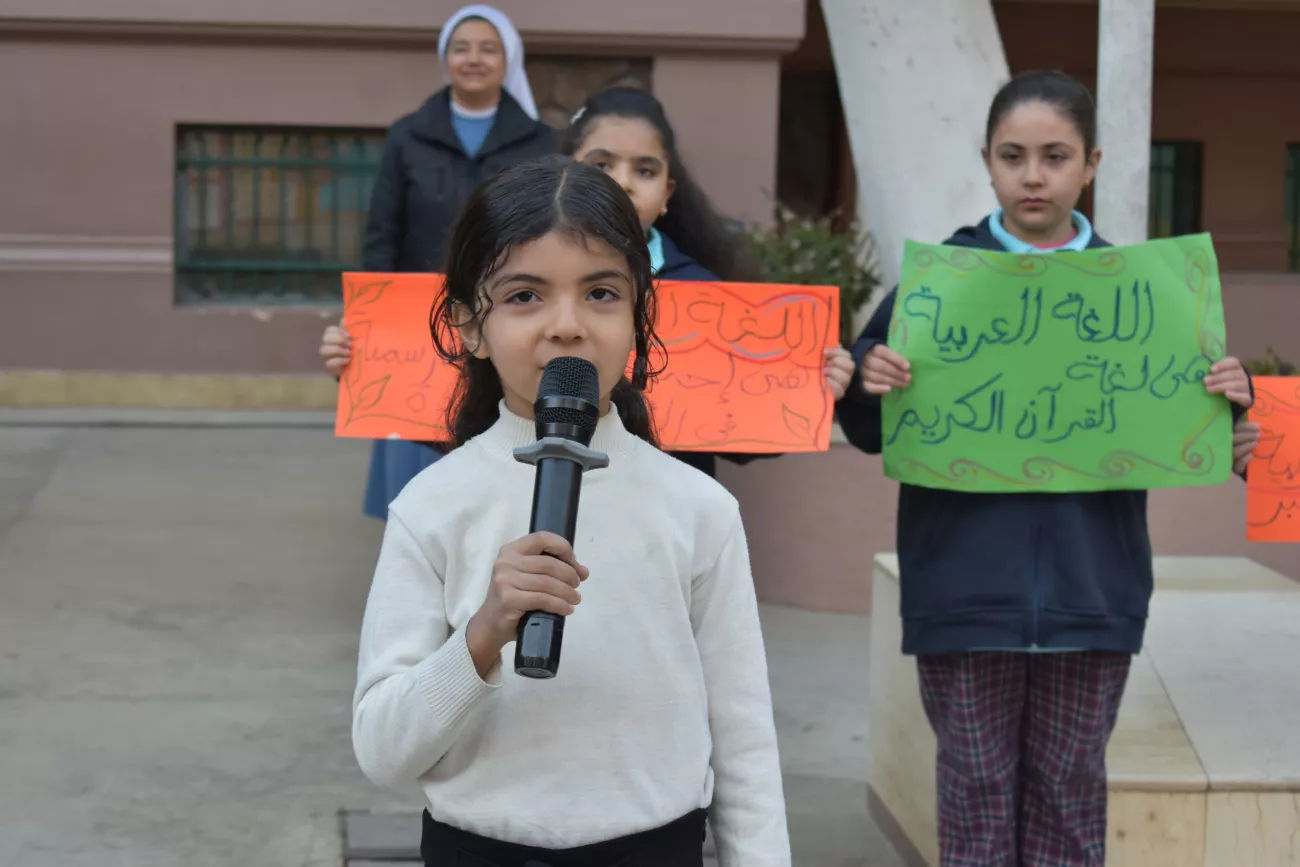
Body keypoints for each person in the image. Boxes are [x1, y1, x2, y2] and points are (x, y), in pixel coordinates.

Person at [835, 70, 1256, 867]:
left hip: (1091, 593)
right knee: (975, 802)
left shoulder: (1147, 293)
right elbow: (867, 427)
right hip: (962, 595)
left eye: (1055, 156)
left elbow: (1197, 425)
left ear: (1090, 164)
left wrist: (1231, 405)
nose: (1033, 175)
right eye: (1013, 156)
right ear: (987, 162)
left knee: (1069, 801)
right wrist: (867, 378)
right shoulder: (938, 283)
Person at [350, 155, 791, 867]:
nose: (566, 326)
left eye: (601, 293)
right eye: (525, 295)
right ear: (468, 324)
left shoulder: (698, 508)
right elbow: (382, 750)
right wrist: (480, 636)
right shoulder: (431, 506)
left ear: (640, 316)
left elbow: (743, 739)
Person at [320, 4, 554, 519]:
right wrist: (370, 316)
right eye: (461, 48)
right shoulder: (408, 135)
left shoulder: (539, 141)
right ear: (445, 58)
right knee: (414, 438)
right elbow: (382, 232)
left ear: (508, 60)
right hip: (415, 319)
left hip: (504, 308)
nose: (473, 59)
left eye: (488, 49)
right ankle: (414, 542)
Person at [565, 87, 856, 478]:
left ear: (667, 194)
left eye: (645, 171)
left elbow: (740, 432)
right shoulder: (522, 279)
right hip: (543, 494)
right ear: (563, 173)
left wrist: (808, 388)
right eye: (602, 165)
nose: (623, 182)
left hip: (669, 502)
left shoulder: (704, 295)